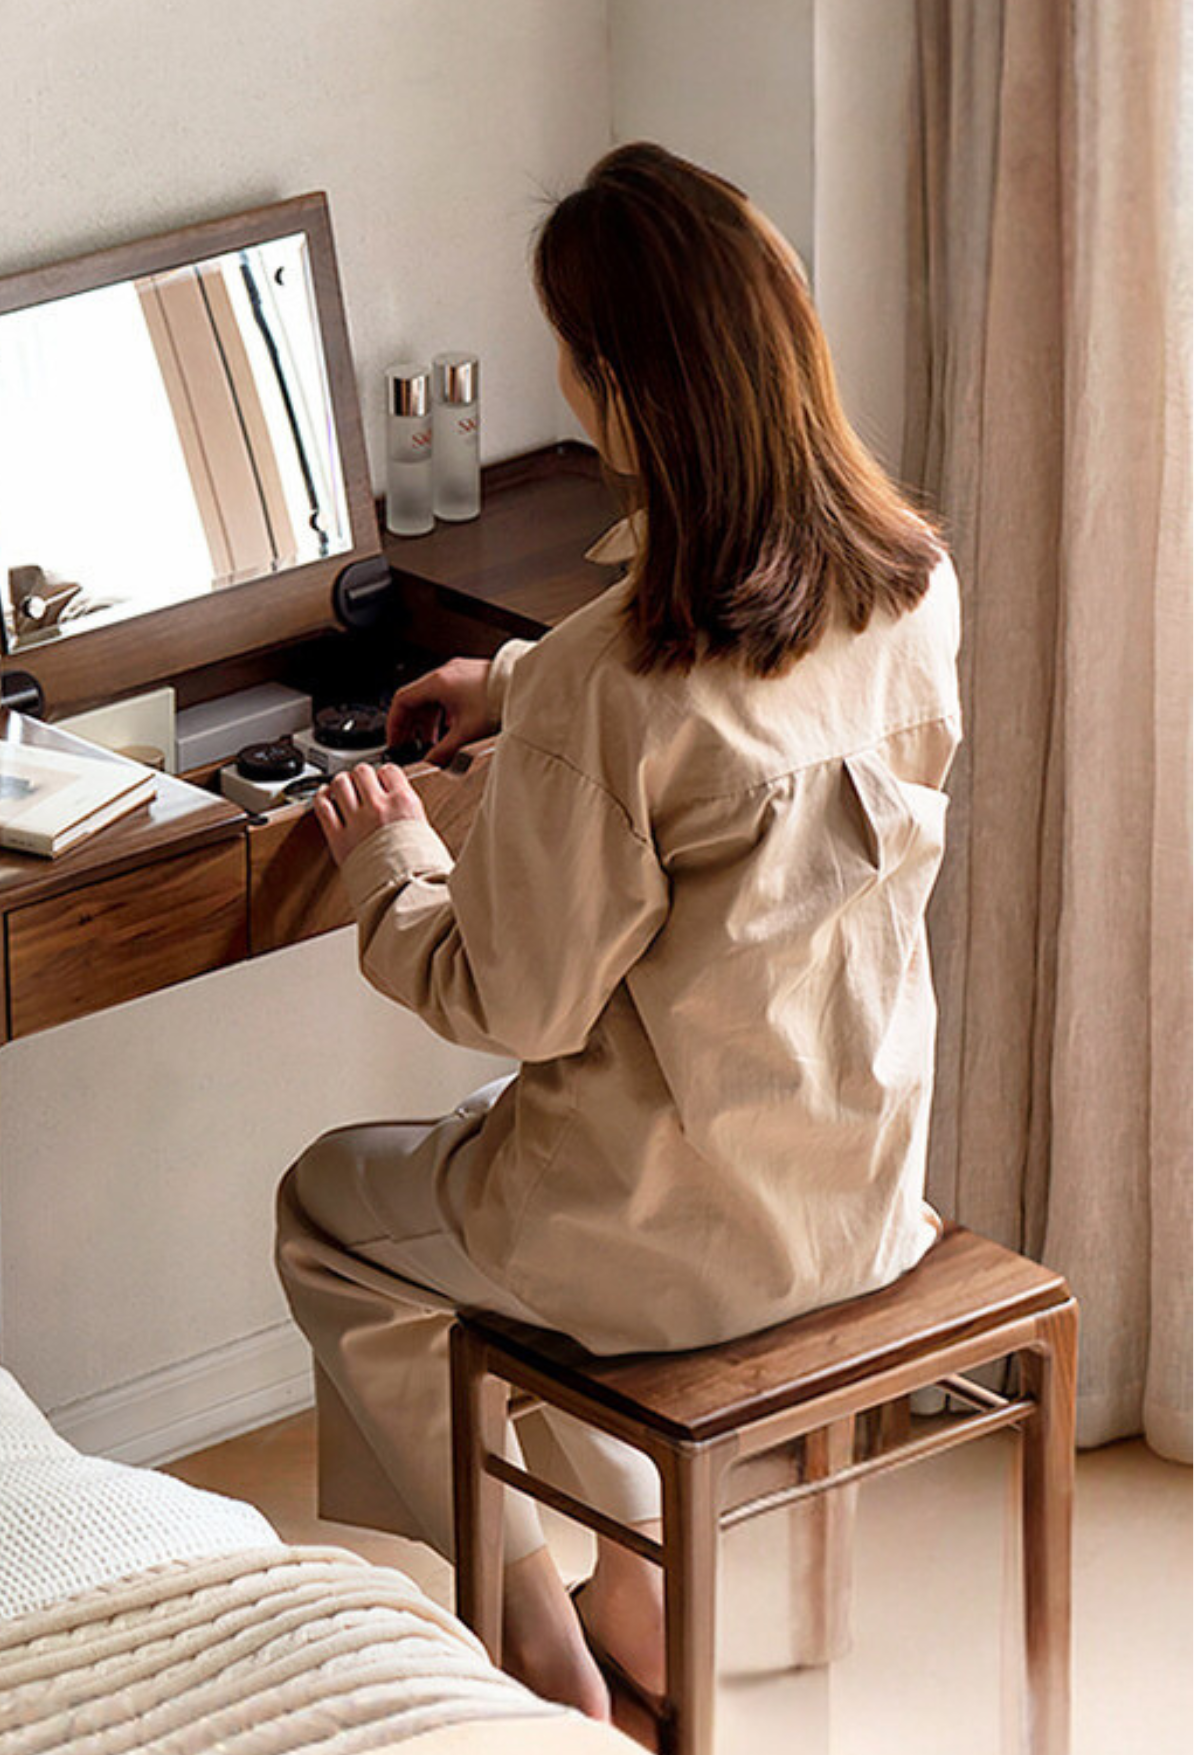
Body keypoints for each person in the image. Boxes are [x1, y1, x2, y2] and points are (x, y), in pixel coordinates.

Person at [274, 141, 960, 1725]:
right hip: (854, 1191)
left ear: (617, 387)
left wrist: (390, 859)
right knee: (510, 1193)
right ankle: (638, 1588)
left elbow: (509, 1000)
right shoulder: (910, 583)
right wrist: (515, 688)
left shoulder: (607, 693)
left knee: (335, 1210)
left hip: (665, 1236)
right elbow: (737, 709)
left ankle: (537, 1642)